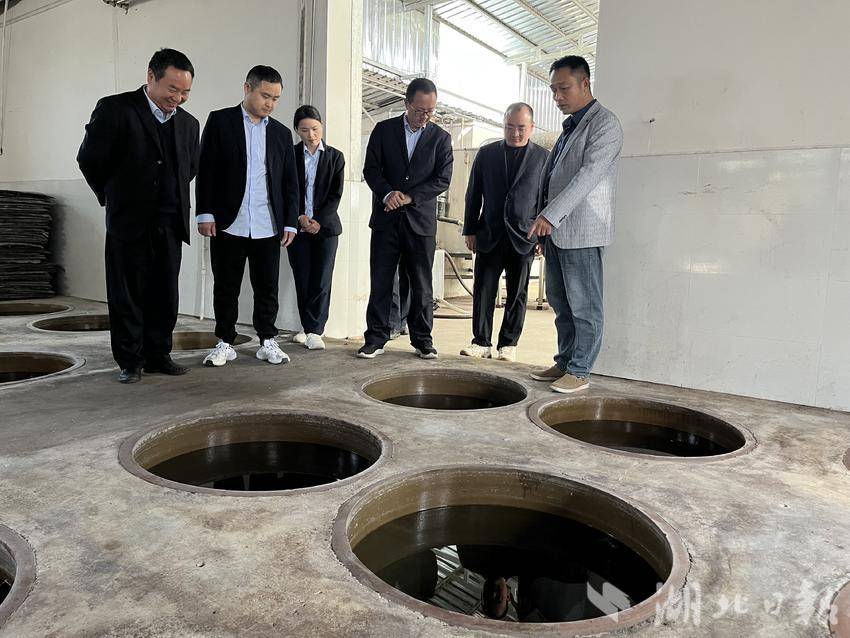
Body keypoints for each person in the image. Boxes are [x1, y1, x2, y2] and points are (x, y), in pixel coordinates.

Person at [77, 48, 200, 384]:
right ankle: (130, 360)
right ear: (150, 77)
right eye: (172, 89)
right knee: (127, 295)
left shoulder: (189, 124)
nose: (178, 98)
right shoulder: (116, 109)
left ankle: (159, 355)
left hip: (170, 223)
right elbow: (90, 159)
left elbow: (189, 168)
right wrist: (113, 196)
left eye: (185, 92)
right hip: (128, 221)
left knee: (165, 294)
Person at [527, 55, 623, 394]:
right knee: (561, 303)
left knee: (585, 306)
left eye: (563, 88)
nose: (557, 97)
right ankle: (565, 361)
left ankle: (580, 371)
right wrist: (543, 221)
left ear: (585, 83)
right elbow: (552, 179)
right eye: (553, 90)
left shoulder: (605, 124)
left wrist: (549, 216)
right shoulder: (570, 128)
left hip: (582, 232)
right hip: (556, 232)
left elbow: (587, 177)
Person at [195, 65, 299, 367]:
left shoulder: (280, 133)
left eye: (276, 98)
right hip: (229, 221)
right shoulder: (220, 121)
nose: (271, 103)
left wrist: (290, 221)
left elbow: (290, 182)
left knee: (267, 287)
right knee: (226, 285)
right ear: (247, 88)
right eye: (266, 96)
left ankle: (267, 341)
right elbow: (207, 169)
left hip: (267, 223)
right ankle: (225, 342)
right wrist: (205, 212)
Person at [358, 78, 453, 360]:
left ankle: (422, 339)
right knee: (381, 281)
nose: (425, 116)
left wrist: (411, 197)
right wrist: (388, 193)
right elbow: (371, 169)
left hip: (420, 223)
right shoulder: (383, 130)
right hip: (386, 220)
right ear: (406, 103)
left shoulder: (441, 138)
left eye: (430, 111)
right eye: (419, 110)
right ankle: (376, 338)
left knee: (422, 284)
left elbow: (443, 178)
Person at [460, 103, 548, 363]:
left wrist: (542, 237)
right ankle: (481, 342)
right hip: (490, 234)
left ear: (532, 127)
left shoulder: (543, 158)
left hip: (524, 236)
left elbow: (546, 199)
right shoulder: (487, 154)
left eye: (521, 128)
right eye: (510, 127)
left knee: (518, 293)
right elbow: (473, 194)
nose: (515, 133)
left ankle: (508, 344)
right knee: (483, 290)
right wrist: (470, 229)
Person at [287, 105, 345, 351]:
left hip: (327, 229)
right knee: (302, 279)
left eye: (315, 129)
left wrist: (318, 220)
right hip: (297, 228)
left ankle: (315, 330)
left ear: (321, 127)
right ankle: (307, 326)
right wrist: (300, 217)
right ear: (296, 130)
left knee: (321, 280)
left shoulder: (335, 157)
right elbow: (286, 191)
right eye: (304, 130)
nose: (311, 135)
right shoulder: (290, 155)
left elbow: (335, 194)